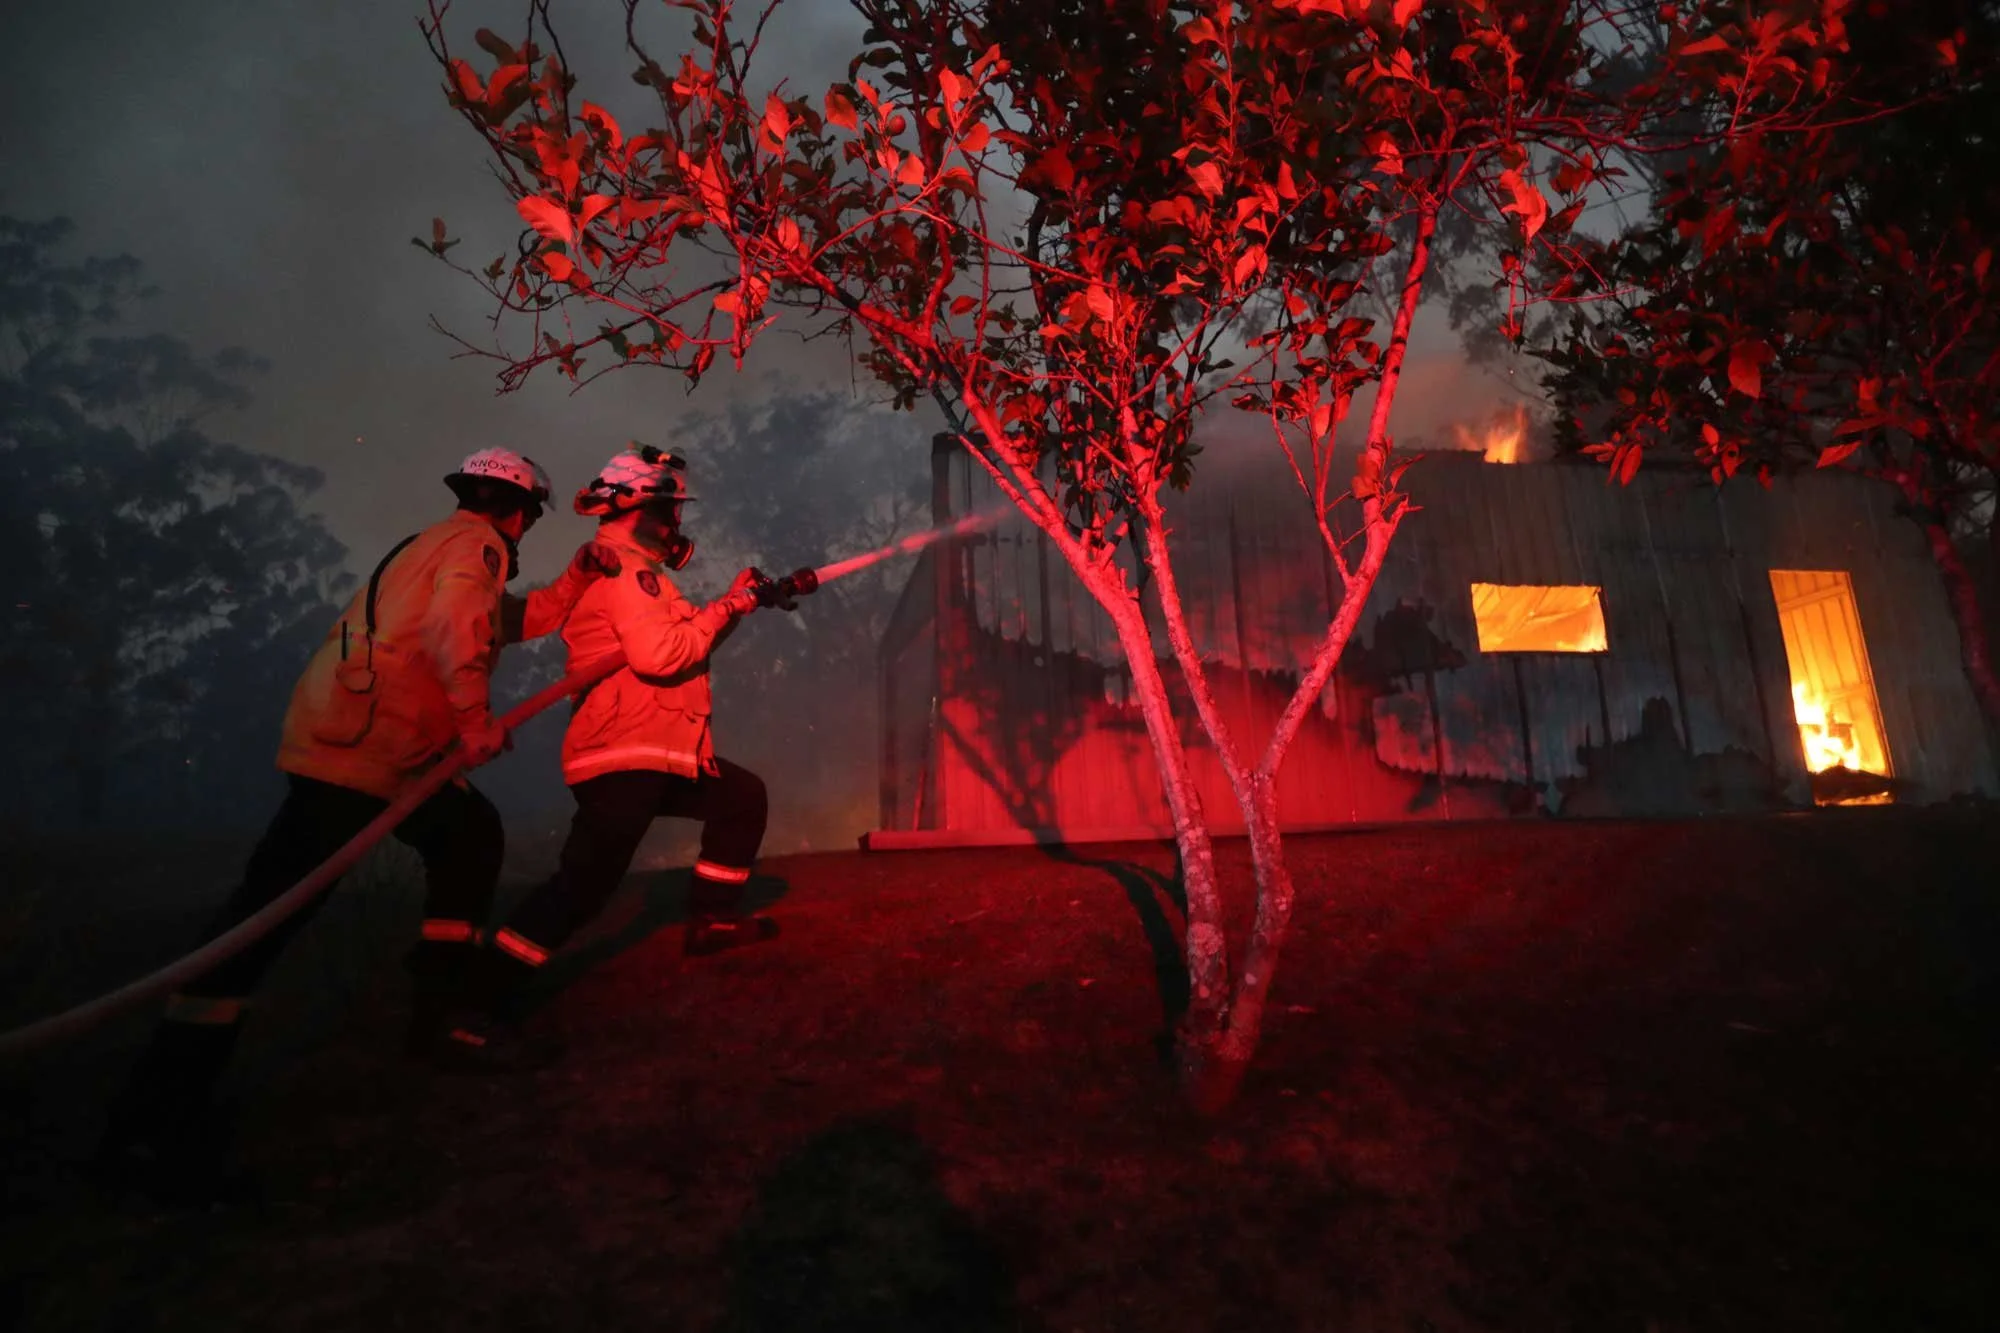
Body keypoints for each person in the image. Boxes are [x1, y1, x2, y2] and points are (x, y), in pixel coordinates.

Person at [97, 447, 619, 1204]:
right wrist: (473, 721)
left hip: (379, 746)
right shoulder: (475, 548)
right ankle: (151, 1123)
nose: (528, 527)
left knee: (469, 835)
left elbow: (505, 620)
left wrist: (576, 578)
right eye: (533, 515)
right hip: (365, 754)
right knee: (263, 920)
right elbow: (458, 627)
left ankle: (434, 1014)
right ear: (517, 509)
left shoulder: (437, 546)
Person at [441, 445, 777, 1066]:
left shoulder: (638, 573)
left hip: (657, 750)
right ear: (641, 508)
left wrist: (735, 605)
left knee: (740, 797)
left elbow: (678, 643)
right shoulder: (626, 570)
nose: (677, 525)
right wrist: (730, 606)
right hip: (625, 755)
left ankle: (712, 922)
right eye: (670, 512)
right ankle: (474, 1001)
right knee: (582, 887)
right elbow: (659, 657)